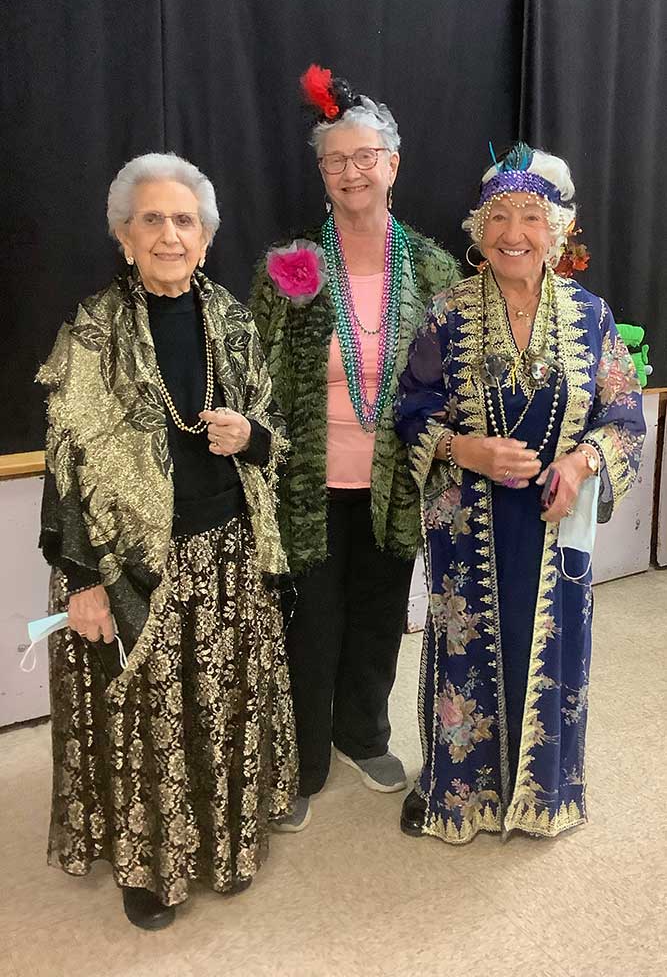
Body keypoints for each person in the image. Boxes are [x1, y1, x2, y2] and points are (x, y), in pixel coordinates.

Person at [37, 153, 298, 928]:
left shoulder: (234, 322)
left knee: (217, 711)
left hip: (226, 554)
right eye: (150, 219)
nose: (168, 234)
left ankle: (221, 845)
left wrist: (249, 435)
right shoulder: (89, 332)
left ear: (207, 238)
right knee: (142, 722)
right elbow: (64, 466)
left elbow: (274, 437)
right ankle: (147, 872)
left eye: (183, 220)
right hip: (126, 564)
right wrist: (81, 580)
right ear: (123, 236)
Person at [394, 142, 645, 843]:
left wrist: (584, 463)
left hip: (554, 523)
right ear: (478, 231)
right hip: (467, 524)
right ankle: (463, 794)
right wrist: (462, 447)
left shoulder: (591, 316)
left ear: (555, 231)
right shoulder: (445, 315)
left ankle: (543, 794)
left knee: (550, 652)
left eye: (530, 217)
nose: (513, 233)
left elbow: (624, 417)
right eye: (499, 217)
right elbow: (411, 409)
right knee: (467, 654)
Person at [248, 66, 460, 830]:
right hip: (305, 480)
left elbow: (452, 383)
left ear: (392, 165)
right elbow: (254, 375)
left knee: (377, 612)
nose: (350, 172)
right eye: (334, 161)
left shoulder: (435, 270)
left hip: (397, 481)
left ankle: (362, 732)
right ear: (321, 173)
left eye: (364, 156)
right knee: (309, 620)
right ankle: (301, 759)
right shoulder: (289, 267)